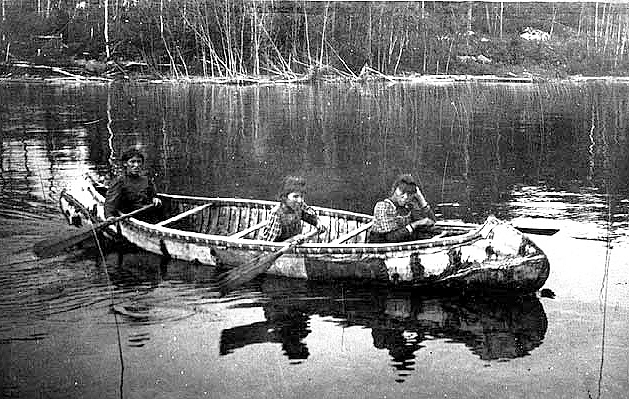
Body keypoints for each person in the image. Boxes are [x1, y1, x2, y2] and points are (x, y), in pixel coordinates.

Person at [367, 173, 435, 243]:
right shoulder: (383, 207)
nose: (405, 197)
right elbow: (390, 238)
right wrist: (415, 224)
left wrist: (421, 199)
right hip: (381, 249)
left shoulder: (409, 206)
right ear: (395, 190)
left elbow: (432, 223)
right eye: (402, 192)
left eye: (409, 194)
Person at [259, 175, 326, 242]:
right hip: (278, 248)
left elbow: (309, 215)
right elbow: (269, 245)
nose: (300, 200)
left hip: (293, 245)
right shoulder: (276, 213)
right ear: (285, 197)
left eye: (302, 196)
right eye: (295, 196)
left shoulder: (298, 205)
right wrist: (293, 239)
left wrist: (317, 222)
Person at [105, 148, 162, 221]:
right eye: (132, 162)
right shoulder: (119, 181)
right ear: (125, 163)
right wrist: (109, 216)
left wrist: (155, 199)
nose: (136, 165)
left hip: (147, 215)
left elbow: (153, 195)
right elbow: (110, 204)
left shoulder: (146, 180)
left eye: (139, 162)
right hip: (130, 216)